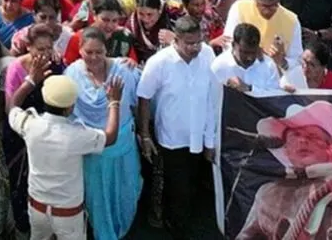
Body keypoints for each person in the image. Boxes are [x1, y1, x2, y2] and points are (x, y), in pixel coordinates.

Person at [12, 64, 121, 240]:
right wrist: (114, 102)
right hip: (68, 214)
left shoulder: (30, 124)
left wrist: (30, 81)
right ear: (69, 108)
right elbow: (111, 137)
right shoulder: (78, 135)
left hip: (37, 207)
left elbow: (13, 106)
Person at [136, 14, 223, 237]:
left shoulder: (207, 54)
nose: (195, 48)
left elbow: (212, 98)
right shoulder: (159, 62)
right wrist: (145, 135)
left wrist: (210, 140)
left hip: (199, 138)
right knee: (178, 189)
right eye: (189, 43)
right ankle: (176, 229)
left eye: (198, 42)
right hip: (171, 140)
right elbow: (144, 97)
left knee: (192, 187)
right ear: (176, 41)